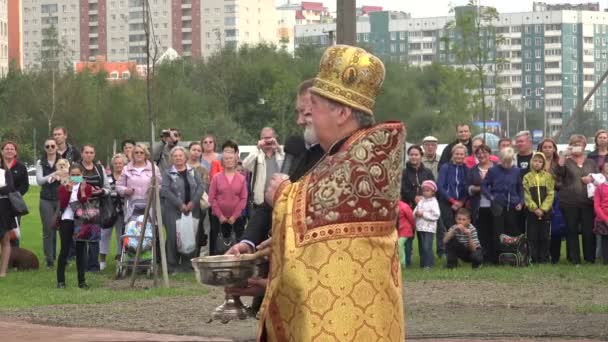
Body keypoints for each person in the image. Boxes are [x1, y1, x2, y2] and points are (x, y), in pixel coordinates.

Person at [255, 45, 404, 341]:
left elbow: (312, 207)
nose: (304, 119)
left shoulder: (365, 159)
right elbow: (323, 252)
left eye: (314, 108)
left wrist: (282, 194)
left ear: (342, 112)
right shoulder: (344, 154)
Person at [160, 146, 203, 272]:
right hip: (173, 210)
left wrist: (193, 203)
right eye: (175, 156)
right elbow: (165, 190)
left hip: (192, 209)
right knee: (174, 237)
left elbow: (200, 187)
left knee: (190, 235)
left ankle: (187, 264)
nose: (178, 158)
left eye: (180, 155)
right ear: (172, 158)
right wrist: (180, 204)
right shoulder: (168, 173)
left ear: (185, 157)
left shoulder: (193, 171)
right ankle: (172, 265)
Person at [556, 134, 597, 264]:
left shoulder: (591, 162)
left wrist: (591, 178)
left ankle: (590, 258)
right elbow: (559, 172)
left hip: (588, 202)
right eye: (574, 144)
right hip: (569, 202)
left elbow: (598, 177)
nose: (577, 146)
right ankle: (574, 259)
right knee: (571, 230)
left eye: (579, 144)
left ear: (584, 146)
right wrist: (563, 155)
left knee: (588, 231)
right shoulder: (566, 161)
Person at [482, 147, 524, 255]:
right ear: (500, 159)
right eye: (504, 161)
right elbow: (484, 185)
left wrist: (521, 202)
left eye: (509, 162)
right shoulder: (493, 171)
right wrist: (491, 197)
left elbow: (521, 188)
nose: (506, 164)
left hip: (513, 205)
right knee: (498, 231)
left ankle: (513, 254)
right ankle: (498, 256)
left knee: (512, 230)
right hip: (498, 205)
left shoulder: (517, 171)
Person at [208, 141, 248, 256]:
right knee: (218, 245)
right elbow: (212, 198)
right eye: (226, 159)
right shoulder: (216, 178)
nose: (229, 161)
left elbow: (243, 198)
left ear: (235, 160)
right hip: (219, 218)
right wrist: (220, 215)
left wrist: (235, 216)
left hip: (236, 219)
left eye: (231, 158)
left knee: (237, 244)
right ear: (222, 161)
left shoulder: (241, 178)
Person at [57, 164, 91, 289]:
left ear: (82, 175)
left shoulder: (87, 187)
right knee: (64, 250)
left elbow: (84, 201)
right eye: (73, 175)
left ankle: (81, 280)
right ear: (69, 175)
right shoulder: (63, 187)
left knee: (80, 250)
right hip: (67, 219)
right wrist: (69, 190)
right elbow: (63, 204)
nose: (75, 177)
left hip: (81, 220)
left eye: (78, 175)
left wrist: (82, 190)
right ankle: (61, 281)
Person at [79, 144, 111, 272]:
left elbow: (107, 187)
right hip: (80, 207)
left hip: (96, 207)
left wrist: (101, 191)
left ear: (94, 154)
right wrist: (87, 188)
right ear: (82, 154)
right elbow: (70, 181)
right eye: (86, 152)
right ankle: (82, 264)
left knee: (94, 237)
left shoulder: (99, 168)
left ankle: (93, 265)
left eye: (91, 152)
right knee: (81, 237)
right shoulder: (76, 168)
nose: (89, 155)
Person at [241, 127, 285, 216]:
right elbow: (245, 164)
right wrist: (257, 148)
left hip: (279, 198)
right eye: (265, 138)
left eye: (270, 138)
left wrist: (278, 148)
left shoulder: (281, 154)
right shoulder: (257, 155)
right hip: (261, 200)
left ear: (275, 138)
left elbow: (290, 165)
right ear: (260, 139)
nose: (268, 141)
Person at [467, 143, 498, 264]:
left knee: (495, 231)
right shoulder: (472, 170)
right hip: (479, 207)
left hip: (495, 205)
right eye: (478, 153)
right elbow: (467, 188)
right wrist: (479, 189)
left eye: (484, 152)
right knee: (482, 234)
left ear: (490, 154)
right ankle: (483, 258)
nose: (481, 155)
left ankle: (495, 258)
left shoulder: (497, 168)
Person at [116, 144, 161, 226]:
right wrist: (126, 190)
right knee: (132, 232)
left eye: (141, 152)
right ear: (133, 154)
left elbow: (160, 185)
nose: (139, 154)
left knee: (148, 233)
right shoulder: (126, 169)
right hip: (131, 207)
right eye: (136, 152)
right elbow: (118, 186)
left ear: (146, 155)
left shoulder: (154, 168)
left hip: (149, 206)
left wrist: (154, 189)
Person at [437, 143, 469, 258]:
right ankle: (449, 254)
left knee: (461, 227)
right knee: (450, 227)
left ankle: (461, 253)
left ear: (465, 155)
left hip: (461, 203)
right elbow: (440, 186)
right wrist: (452, 201)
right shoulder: (445, 167)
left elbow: (467, 187)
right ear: (453, 154)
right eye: (457, 154)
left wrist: (461, 201)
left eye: (462, 154)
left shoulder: (466, 169)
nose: (459, 156)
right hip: (446, 202)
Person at [523, 152, 555, 264]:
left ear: (543, 163)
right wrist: (534, 208)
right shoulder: (527, 177)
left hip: (545, 212)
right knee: (532, 235)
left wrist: (543, 209)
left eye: (540, 161)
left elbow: (551, 194)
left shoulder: (548, 177)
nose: (537, 163)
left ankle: (544, 258)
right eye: (535, 161)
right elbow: (526, 194)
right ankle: (533, 258)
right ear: (531, 162)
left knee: (544, 236)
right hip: (532, 212)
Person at [36, 138, 62, 268]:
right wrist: (54, 173)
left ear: (57, 147)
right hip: (45, 199)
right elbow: (40, 181)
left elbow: (75, 177)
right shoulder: (41, 162)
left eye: (53, 146)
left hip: (62, 198)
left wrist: (63, 176)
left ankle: (64, 257)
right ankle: (50, 259)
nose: (50, 148)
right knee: (48, 230)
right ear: (45, 148)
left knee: (64, 229)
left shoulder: (64, 161)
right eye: (48, 146)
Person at [99, 153, 128, 271]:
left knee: (121, 236)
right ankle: (102, 261)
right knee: (104, 235)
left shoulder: (127, 177)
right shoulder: (107, 176)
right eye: (116, 163)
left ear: (124, 164)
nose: (118, 165)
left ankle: (119, 259)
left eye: (120, 163)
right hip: (108, 211)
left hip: (122, 211)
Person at [537, 138, 564, 263]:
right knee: (541, 228)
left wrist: (552, 183)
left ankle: (555, 257)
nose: (547, 149)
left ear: (554, 149)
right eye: (545, 147)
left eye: (550, 147)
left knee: (556, 228)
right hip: (539, 198)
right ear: (540, 149)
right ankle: (541, 256)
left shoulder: (559, 163)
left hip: (557, 198)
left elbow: (563, 181)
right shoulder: (536, 162)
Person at [1, 141, 29, 248]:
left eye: (12, 149)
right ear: (2, 151)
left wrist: (14, 195)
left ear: (15, 152)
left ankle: (14, 258)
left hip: (14, 204)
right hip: (0, 202)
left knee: (14, 232)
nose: (9, 151)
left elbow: (25, 185)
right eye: (6, 149)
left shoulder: (21, 167)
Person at [188, 142, 211, 252]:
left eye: (198, 150)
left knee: (197, 231)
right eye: (194, 149)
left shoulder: (203, 169)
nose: (196, 152)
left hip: (198, 205)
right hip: (182, 204)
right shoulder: (182, 166)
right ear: (189, 151)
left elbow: (204, 187)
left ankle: (195, 254)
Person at [413, 180, 441, 269]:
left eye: (427, 190)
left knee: (427, 246)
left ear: (433, 192)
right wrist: (416, 214)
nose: (425, 192)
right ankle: (423, 264)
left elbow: (436, 215)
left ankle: (429, 264)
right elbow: (415, 211)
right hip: (420, 227)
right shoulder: (421, 201)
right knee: (421, 246)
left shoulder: (434, 202)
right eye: (424, 190)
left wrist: (423, 214)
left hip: (429, 228)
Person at [0, 163, 16, 278]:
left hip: (3, 208)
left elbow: (10, 188)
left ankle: (3, 272)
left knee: (5, 240)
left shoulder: (5, 171)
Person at [593, 163, 608, 265]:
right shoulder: (599, 188)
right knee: (604, 241)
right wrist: (605, 219)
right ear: (603, 174)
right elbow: (597, 206)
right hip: (602, 219)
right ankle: (604, 259)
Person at [398, 200, 415, 268]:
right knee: (406, 247)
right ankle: (405, 263)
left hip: (405, 230)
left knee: (399, 245)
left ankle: (402, 264)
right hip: (397, 231)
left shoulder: (404, 206)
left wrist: (413, 227)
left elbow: (411, 218)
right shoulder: (391, 206)